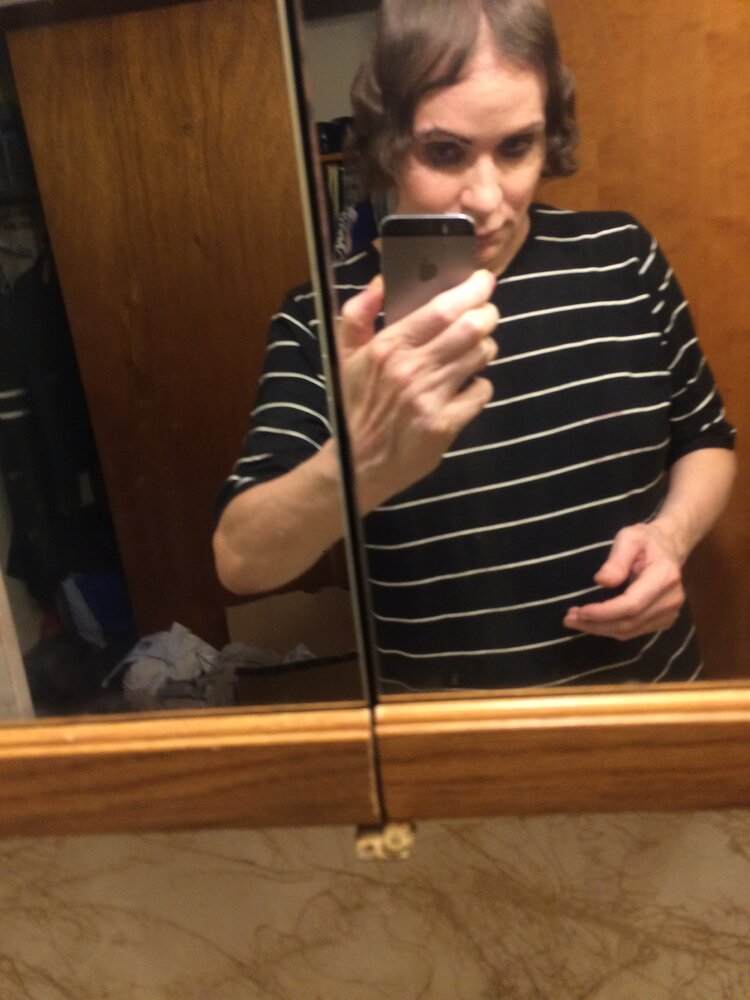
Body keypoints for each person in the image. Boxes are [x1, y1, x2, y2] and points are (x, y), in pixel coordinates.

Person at [214, 0, 736, 692]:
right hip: (446, 738)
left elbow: (707, 439)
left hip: (647, 710)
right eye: (444, 152)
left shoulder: (623, 257)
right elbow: (242, 560)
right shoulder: (325, 319)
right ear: (387, 143)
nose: (487, 198)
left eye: (516, 147)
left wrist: (671, 536)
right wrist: (361, 463)